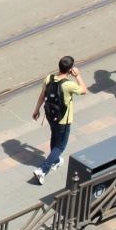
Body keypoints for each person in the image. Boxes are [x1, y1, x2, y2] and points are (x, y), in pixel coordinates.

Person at [31, 55, 87, 185]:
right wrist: (78, 75)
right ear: (70, 69)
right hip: (63, 120)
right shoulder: (68, 85)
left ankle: (55, 162)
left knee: (55, 138)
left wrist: (36, 110)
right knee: (60, 146)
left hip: (50, 116)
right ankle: (42, 169)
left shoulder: (49, 78)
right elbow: (84, 90)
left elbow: (42, 95)